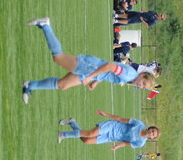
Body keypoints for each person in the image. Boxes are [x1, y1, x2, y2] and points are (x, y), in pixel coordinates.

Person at [21, 18, 156, 104]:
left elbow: (110, 71)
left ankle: (29, 85)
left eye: (144, 87)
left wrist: (96, 81)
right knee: (58, 57)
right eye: (143, 82)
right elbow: (110, 66)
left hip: (93, 72)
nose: (141, 86)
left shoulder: (131, 77)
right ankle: (45, 25)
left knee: (63, 85)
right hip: (91, 67)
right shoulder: (130, 75)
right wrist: (91, 77)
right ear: (142, 75)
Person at [57, 111, 160, 150]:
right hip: (112, 126)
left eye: (153, 134)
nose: (151, 133)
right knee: (89, 133)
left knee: (86, 140)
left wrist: (117, 146)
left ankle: (72, 123)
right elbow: (121, 119)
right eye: (152, 131)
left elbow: (126, 143)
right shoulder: (139, 124)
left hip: (110, 137)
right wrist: (106, 114)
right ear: (150, 128)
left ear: (152, 138)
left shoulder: (140, 143)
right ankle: (63, 134)